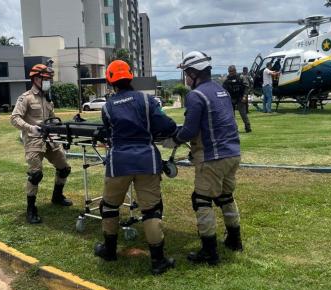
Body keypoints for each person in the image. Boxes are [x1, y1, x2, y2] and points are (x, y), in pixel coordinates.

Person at [94, 60, 177, 275]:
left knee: (110, 206)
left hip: (118, 161)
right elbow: (166, 125)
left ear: (111, 81)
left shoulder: (108, 107)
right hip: (146, 160)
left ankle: (109, 250)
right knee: (151, 209)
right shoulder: (147, 100)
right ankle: (158, 261)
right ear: (130, 77)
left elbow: (108, 131)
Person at [175, 51, 243, 266]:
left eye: (186, 73)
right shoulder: (221, 91)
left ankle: (209, 251)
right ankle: (235, 240)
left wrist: (174, 138)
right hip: (232, 153)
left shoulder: (195, 96)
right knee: (226, 197)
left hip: (213, 157)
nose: (186, 78)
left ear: (194, 73)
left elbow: (188, 131)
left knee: (201, 200)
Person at [10, 64, 73, 224]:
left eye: (48, 80)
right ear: (36, 79)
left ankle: (57, 196)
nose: (48, 82)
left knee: (64, 169)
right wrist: (31, 127)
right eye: (46, 79)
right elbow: (14, 118)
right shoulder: (26, 98)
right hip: (34, 141)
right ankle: (31, 209)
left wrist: (61, 133)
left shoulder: (47, 97)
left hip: (50, 140)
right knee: (35, 174)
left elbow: (52, 119)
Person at [223, 65, 251, 133]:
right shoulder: (227, 80)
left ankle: (248, 127)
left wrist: (244, 96)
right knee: (231, 115)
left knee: (243, 114)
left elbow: (247, 87)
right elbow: (223, 90)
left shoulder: (240, 78)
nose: (231, 73)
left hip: (240, 98)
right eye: (230, 71)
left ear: (235, 71)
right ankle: (234, 129)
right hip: (231, 99)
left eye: (232, 71)